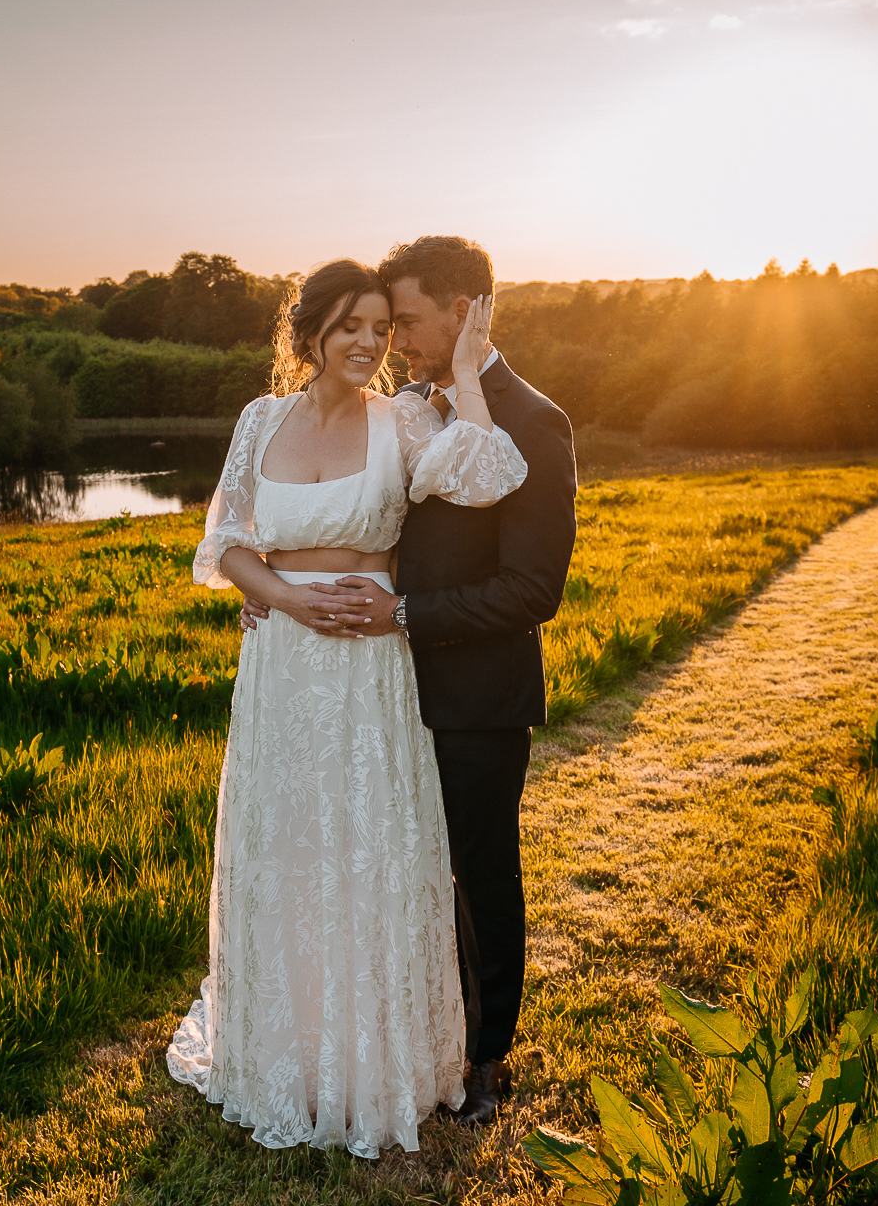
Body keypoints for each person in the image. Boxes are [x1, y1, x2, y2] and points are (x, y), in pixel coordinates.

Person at [165, 258, 528, 1157]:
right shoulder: (260, 421)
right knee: (287, 846)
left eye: (382, 327)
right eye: (352, 327)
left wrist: (472, 376)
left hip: (371, 672)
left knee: (370, 849)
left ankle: (378, 1062)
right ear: (313, 332)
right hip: (282, 669)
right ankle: (289, 1055)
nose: (371, 344)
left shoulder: (403, 421)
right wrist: (284, 598)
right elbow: (226, 545)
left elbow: (484, 473)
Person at [241, 236, 578, 1127]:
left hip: (470, 693)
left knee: (477, 870)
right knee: (382, 868)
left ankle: (487, 1055)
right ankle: (379, 1033)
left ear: (464, 314)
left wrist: (399, 616)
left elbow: (531, 589)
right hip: (365, 686)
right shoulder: (407, 407)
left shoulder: (532, 419)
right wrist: (277, 587)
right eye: (380, 326)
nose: (394, 345)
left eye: (408, 324)